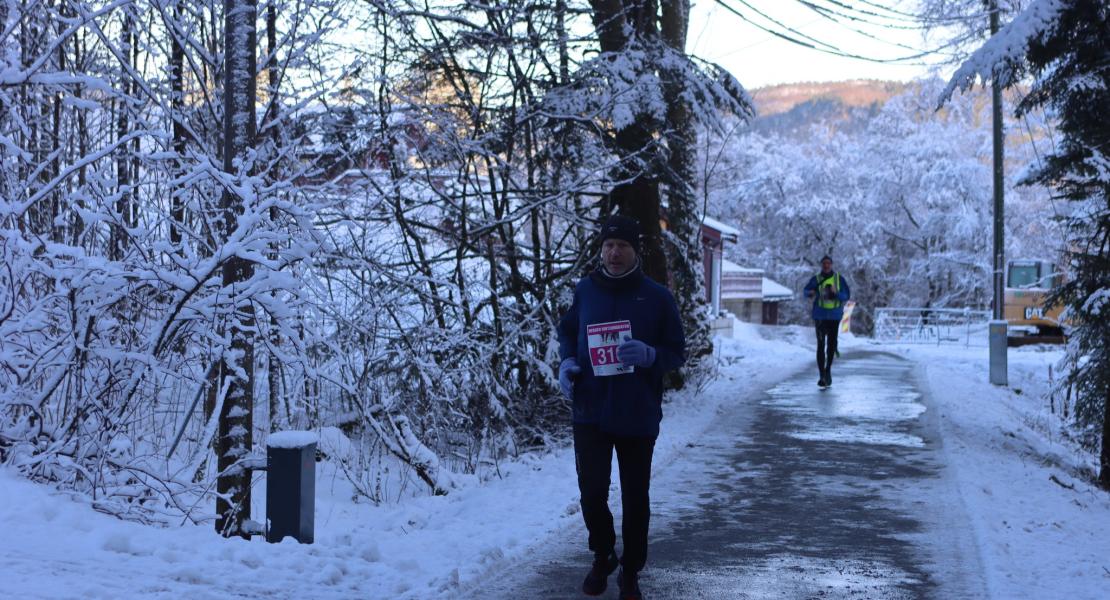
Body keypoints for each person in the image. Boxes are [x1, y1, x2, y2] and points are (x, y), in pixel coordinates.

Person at [557, 215, 686, 600]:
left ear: (635, 251)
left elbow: (677, 352)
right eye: (609, 246)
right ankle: (603, 553)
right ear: (601, 250)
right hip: (590, 410)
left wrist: (650, 355)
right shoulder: (585, 291)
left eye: (622, 246)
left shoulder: (657, 297)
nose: (614, 252)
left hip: (637, 412)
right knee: (592, 494)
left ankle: (631, 570)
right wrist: (566, 362)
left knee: (635, 498)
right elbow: (567, 331)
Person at [804, 255, 851, 387]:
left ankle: (828, 370)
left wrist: (836, 294)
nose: (826, 265)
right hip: (820, 316)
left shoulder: (838, 279)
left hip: (834, 317)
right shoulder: (817, 279)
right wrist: (811, 293)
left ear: (832, 265)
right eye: (824, 263)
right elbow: (805, 291)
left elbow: (846, 295)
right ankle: (822, 375)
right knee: (820, 345)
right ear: (821, 265)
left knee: (831, 345)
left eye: (828, 263)